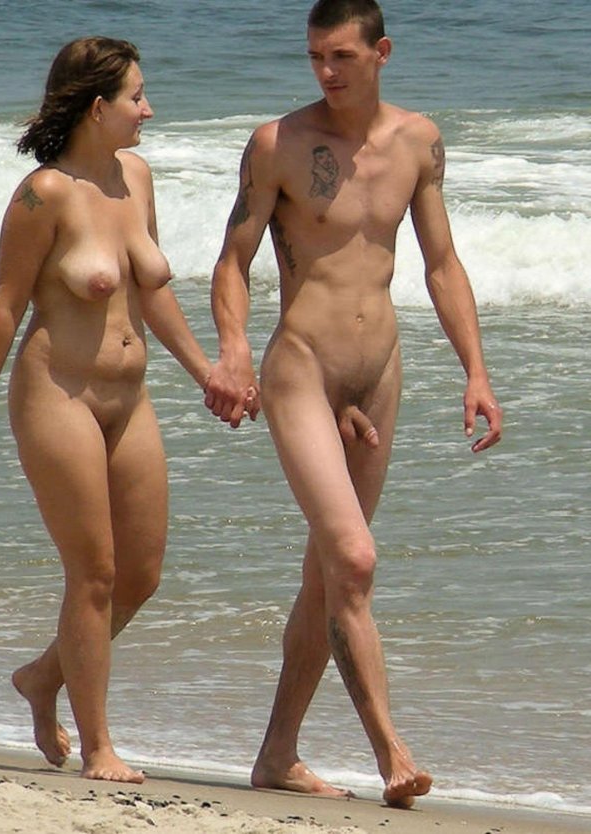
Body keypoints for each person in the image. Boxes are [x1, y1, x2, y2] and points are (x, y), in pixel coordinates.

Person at [204, 0, 502, 809]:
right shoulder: (279, 144)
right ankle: (391, 753)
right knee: (355, 558)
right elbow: (232, 261)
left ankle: (277, 755)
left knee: (329, 573)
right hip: (302, 369)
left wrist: (476, 371)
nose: (326, 71)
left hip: (381, 372)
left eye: (340, 55)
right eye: (315, 57)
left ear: (382, 52)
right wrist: (233, 350)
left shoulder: (419, 141)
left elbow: (441, 263)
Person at [0, 37, 211, 783]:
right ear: (98, 108)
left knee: (141, 574)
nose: (147, 110)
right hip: (57, 393)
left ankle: (41, 678)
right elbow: (4, 309)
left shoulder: (137, 178)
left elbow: (152, 291)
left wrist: (208, 373)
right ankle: (99, 747)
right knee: (93, 572)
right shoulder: (44, 195)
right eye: (137, 97)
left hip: (130, 398)